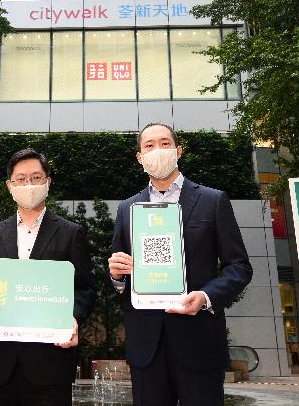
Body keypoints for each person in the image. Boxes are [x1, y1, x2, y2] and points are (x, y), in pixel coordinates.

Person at [108, 123, 252, 406]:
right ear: (139, 157)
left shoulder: (213, 200)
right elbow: (118, 269)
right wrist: (116, 276)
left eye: (164, 143)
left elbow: (239, 266)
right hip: (147, 344)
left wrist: (207, 296)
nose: (157, 150)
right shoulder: (128, 208)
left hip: (198, 339)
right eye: (149, 146)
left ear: (178, 151)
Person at [0, 148, 94, 406]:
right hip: (0, 365)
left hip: (50, 363)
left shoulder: (71, 233)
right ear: (10, 185)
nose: (28, 184)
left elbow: (85, 289)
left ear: (48, 182)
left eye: (36, 177)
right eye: (20, 179)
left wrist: (73, 318)